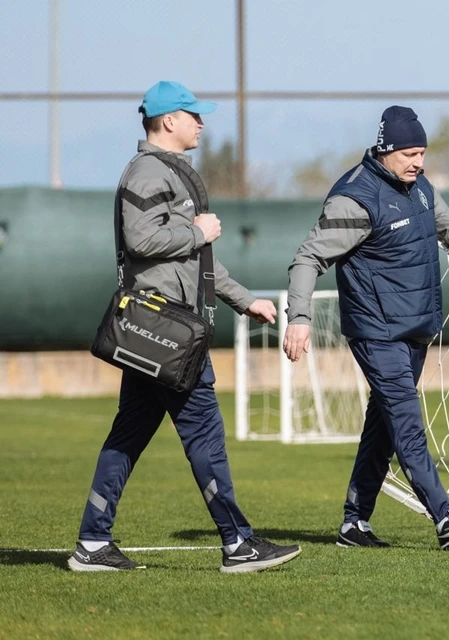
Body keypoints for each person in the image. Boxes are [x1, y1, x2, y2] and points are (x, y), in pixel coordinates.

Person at [69, 81, 301, 572]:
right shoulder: (149, 171)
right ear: (167, 120)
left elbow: (197, 266)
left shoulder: (168, 171)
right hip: (168, 330)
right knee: (204, 434)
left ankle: (92, 544)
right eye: (193, 115)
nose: (201, 123)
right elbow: (141, 239)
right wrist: (197, 231)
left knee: (128, 435)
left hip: (161, 328)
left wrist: (245, 301)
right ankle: (238, 544)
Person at [283, 106, 449, 550]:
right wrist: (298, 319)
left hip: (416, 327)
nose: (418, 162)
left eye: (423, 153)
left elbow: (440, 214)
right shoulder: (355, 199)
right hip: (376, 332)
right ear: (384, 150)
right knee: (407, 420)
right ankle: (445, 517)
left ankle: (354, 524)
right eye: (409, 154)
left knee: (384, 427)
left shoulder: (420, 186)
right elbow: (307, 258)